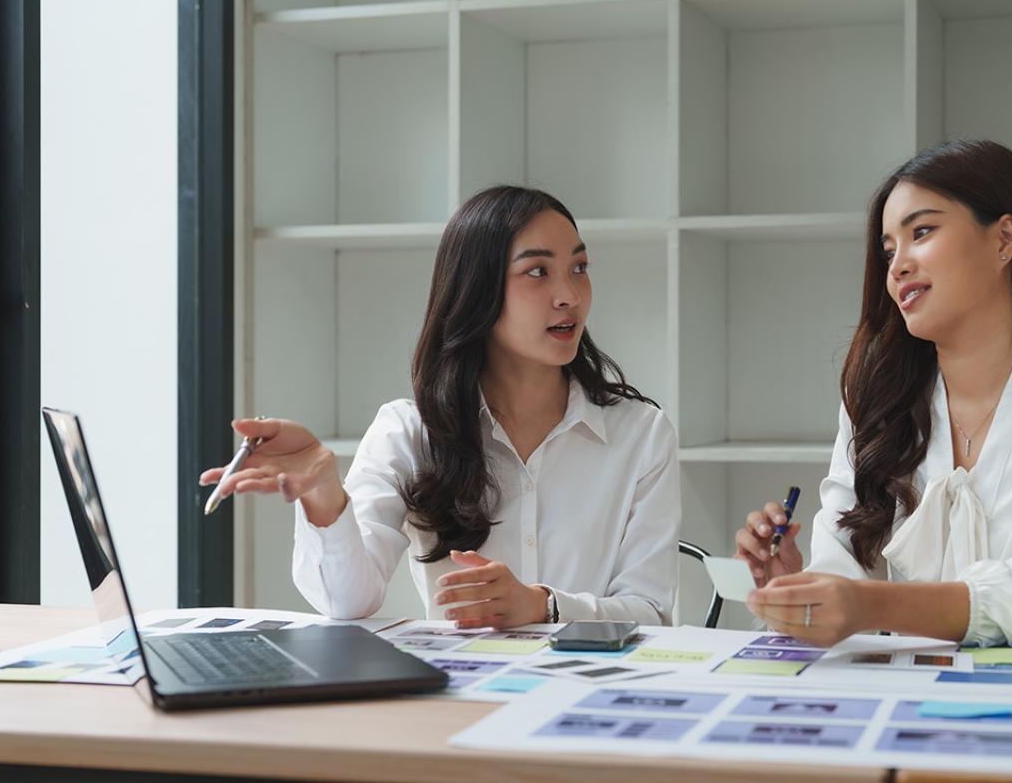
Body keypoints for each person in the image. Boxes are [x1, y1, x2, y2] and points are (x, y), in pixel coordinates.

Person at [735, 139, 1012, 647]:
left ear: (1004, 239)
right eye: (888, 250)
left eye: (922, 232)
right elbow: (841, 568)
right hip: (921, 697)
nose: (897, 266)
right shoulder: (875, 397)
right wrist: (794, 588)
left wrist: (867, 604)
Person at [201, 186, 680, 628]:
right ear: (476, 290)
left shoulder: (641, 433)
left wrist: (543, 605)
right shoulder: (408, 432)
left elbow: (652, 613)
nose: (569, 296)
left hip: (597, 699)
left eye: (579, 268)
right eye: (537, 272)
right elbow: (348, 602)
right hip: (460, 696)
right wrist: (323, 496)